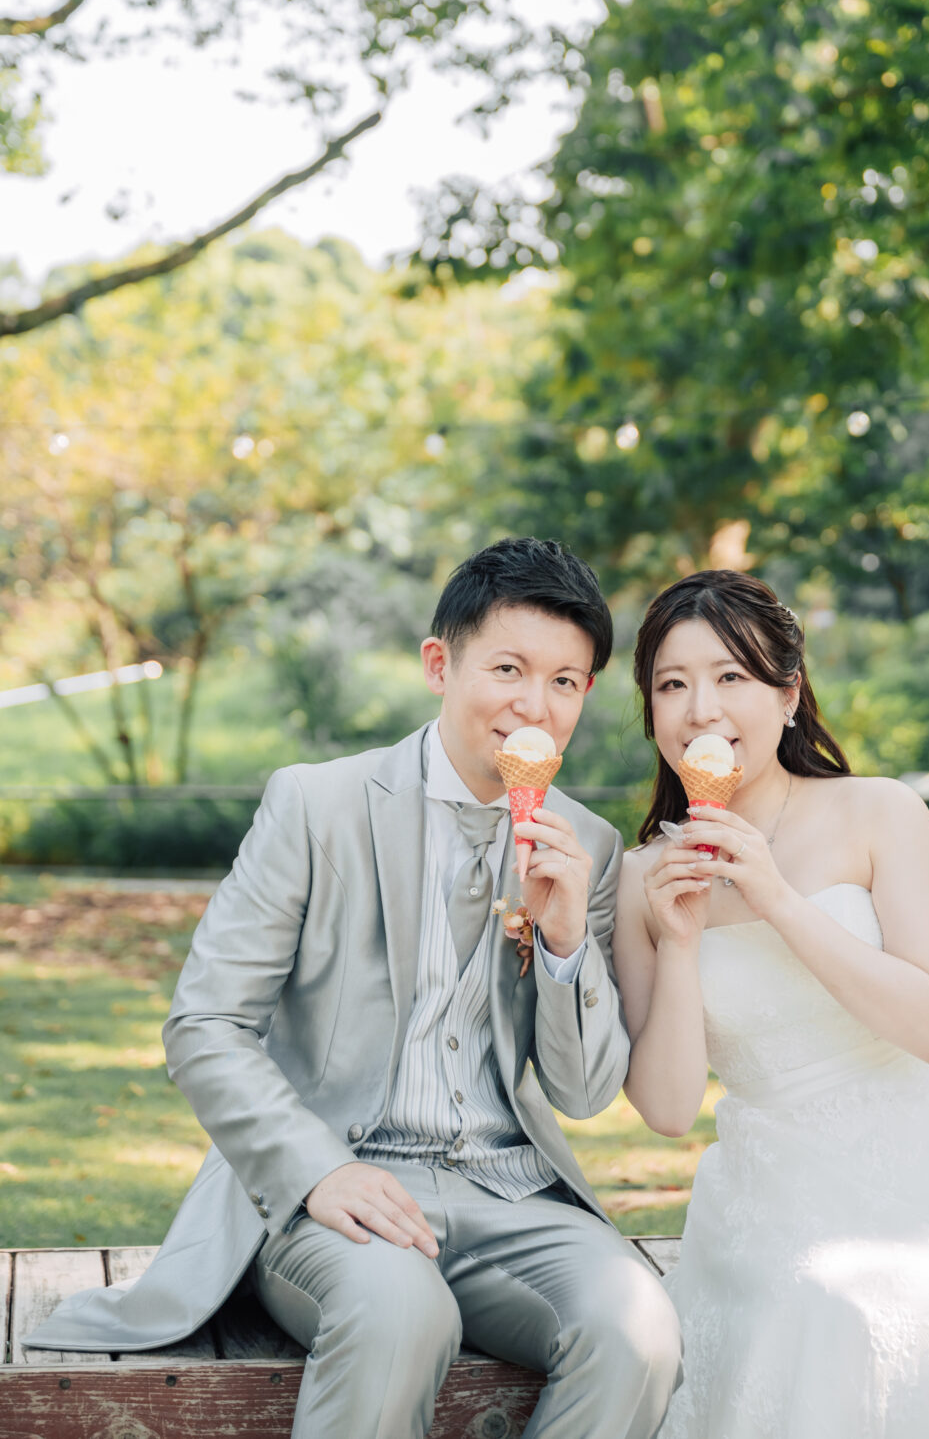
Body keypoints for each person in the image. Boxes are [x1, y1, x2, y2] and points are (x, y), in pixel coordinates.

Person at [28, 537, 682, 1439]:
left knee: (637, 1330)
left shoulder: (590, 847)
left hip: (511, 1192)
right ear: (439, 665)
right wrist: (317, 1170)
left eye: (565, 682)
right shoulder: (317, 805)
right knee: (403, 1314)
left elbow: (584, 1090)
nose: (535, 705)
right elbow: (205, 1023)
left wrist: (567, 941)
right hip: (332, 1184)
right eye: (508, 669)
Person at [614, 568, 929, 1439]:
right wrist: (684, 940)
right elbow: (666, 1109)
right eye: (672, 685)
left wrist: (777, 899)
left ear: (788, 695)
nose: (700, 710)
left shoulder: (878, 812)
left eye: (730, 676)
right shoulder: (641, 880)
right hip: (776, 1178)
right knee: (827, 1308)